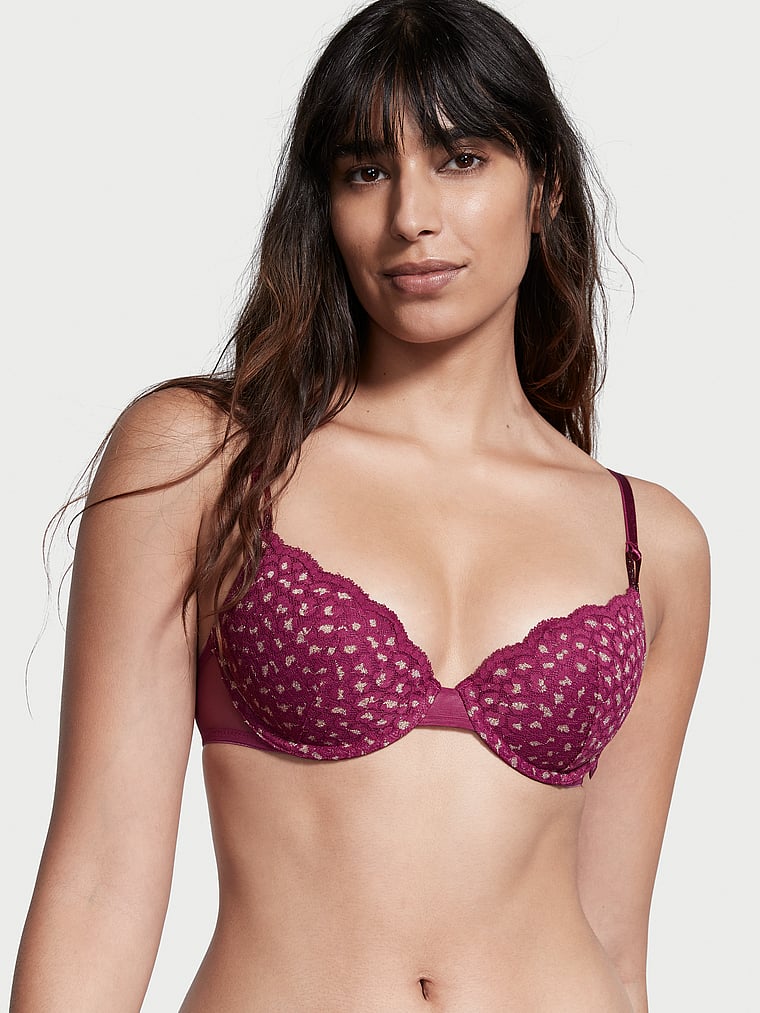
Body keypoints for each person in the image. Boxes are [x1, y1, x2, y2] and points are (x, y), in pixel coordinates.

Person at [11, 0, 709, 1010]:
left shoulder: (652, 542)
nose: (411, 215)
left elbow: (615, 942)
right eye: (366, 170)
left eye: (461, 159)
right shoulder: (205, 461)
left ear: (545, 186)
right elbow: (98, 882)